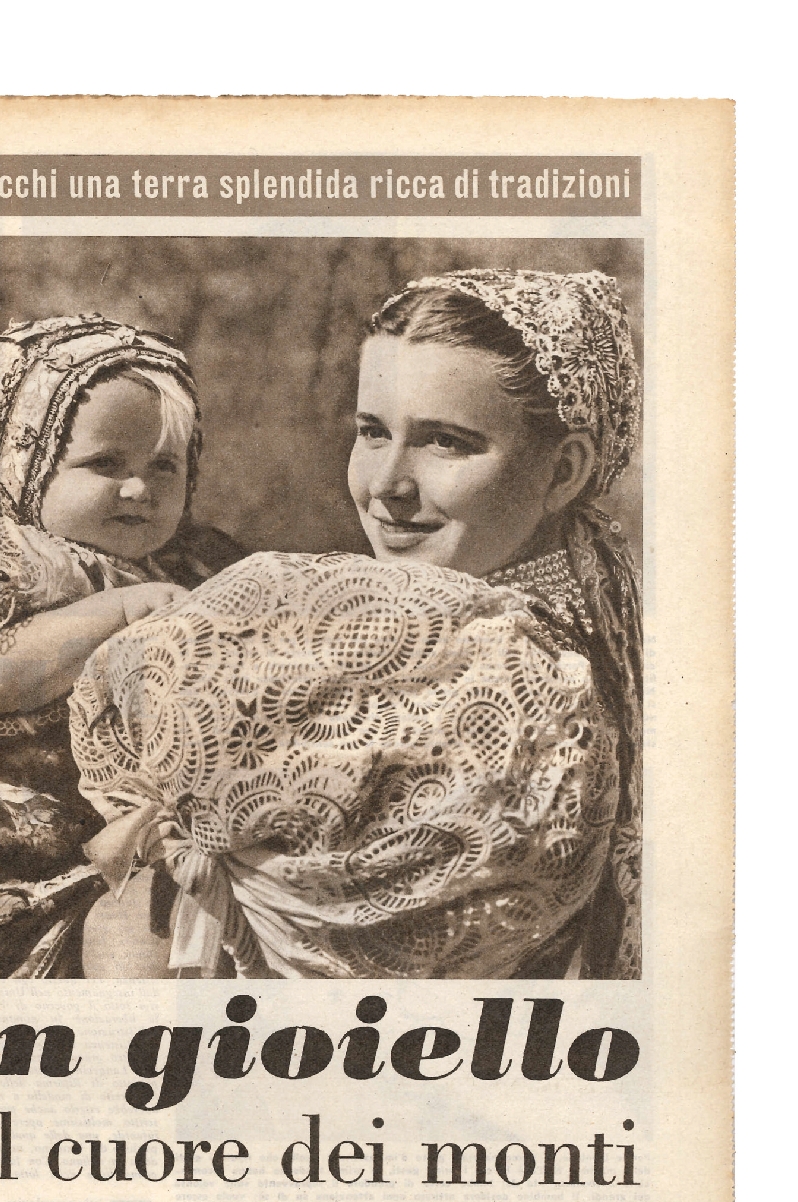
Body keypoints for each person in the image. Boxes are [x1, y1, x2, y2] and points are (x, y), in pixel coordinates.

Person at [71, 268, 643, 980]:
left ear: (563, 471)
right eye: (372, 433)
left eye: (445, 442)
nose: (387, 486)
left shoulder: (514, 670)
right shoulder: (453, 636)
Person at [0, 314, 243, 977]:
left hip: (167, 818)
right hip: (30, 834)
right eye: (104, 464)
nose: (139, 489)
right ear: (28, 471)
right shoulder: (20, 563)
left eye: (164, 466)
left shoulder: (198, 565)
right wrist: (112, 610)